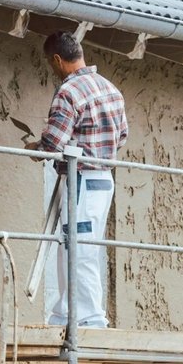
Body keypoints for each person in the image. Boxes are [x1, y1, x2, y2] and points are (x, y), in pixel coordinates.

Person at [29, 31, 129, 329]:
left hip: (81, 180)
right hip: (103, 180)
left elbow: (52, 145)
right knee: (79, 245)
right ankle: (65, 313)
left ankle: (89, 319)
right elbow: (122, 136)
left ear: (57, 59)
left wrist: (35, 148)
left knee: (78, 248)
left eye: (51, 62)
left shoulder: (69, 92)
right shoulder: (110, 89)